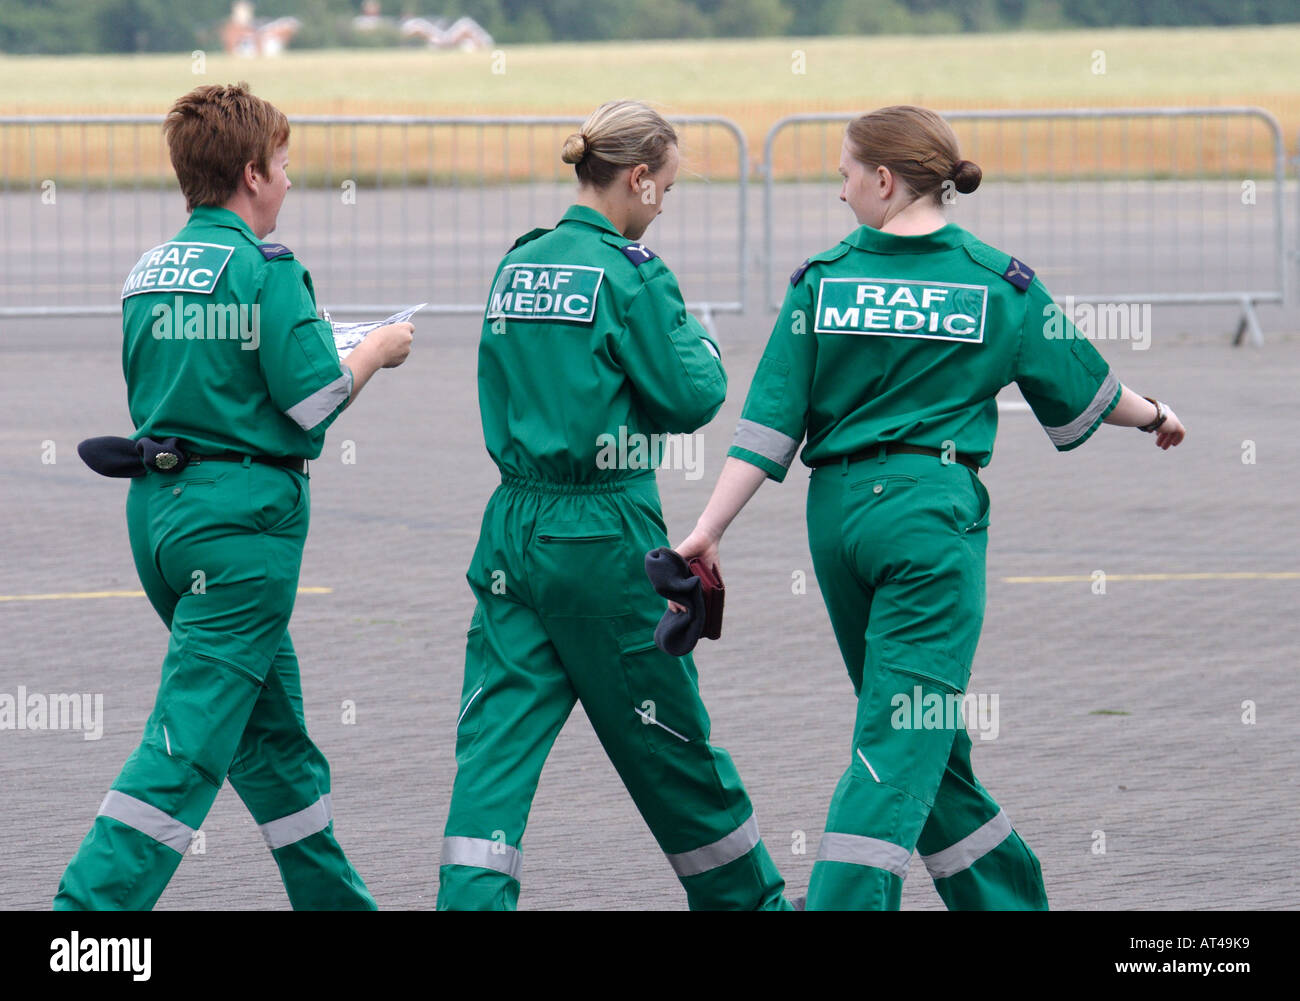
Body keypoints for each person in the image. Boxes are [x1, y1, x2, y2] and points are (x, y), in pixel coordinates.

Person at [674, 105, 1186, 911]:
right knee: (897, 736)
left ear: (883, 180)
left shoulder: (824, 280)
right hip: (928, 520)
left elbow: (768, 427)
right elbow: (1091, 389)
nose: (839, 193)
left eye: (844, 174)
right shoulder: (998, 281)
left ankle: (1006, 898)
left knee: (920, 735)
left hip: (838, 519)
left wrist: (708, 528)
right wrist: (1156, 414)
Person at [54, 82, 413, 910]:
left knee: (271, 739)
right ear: (252, 172)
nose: (289, 181)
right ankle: (85, 918)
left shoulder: (151, 269)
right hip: (240, 524)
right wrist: (377, 352)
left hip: (160, 514)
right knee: (185, 747)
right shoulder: (264, 267)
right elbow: (315, 399)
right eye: (284, 165)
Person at [437, 99, 791, 911]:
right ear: (637, 178)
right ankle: (749, 903)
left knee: (494, 743)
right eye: (663, 188)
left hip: (513, 528)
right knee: (667, 735)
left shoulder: (518, 262)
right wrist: (697, 335)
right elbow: (692, 393)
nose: (661, 206)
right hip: (602, 528)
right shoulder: (632, 273)